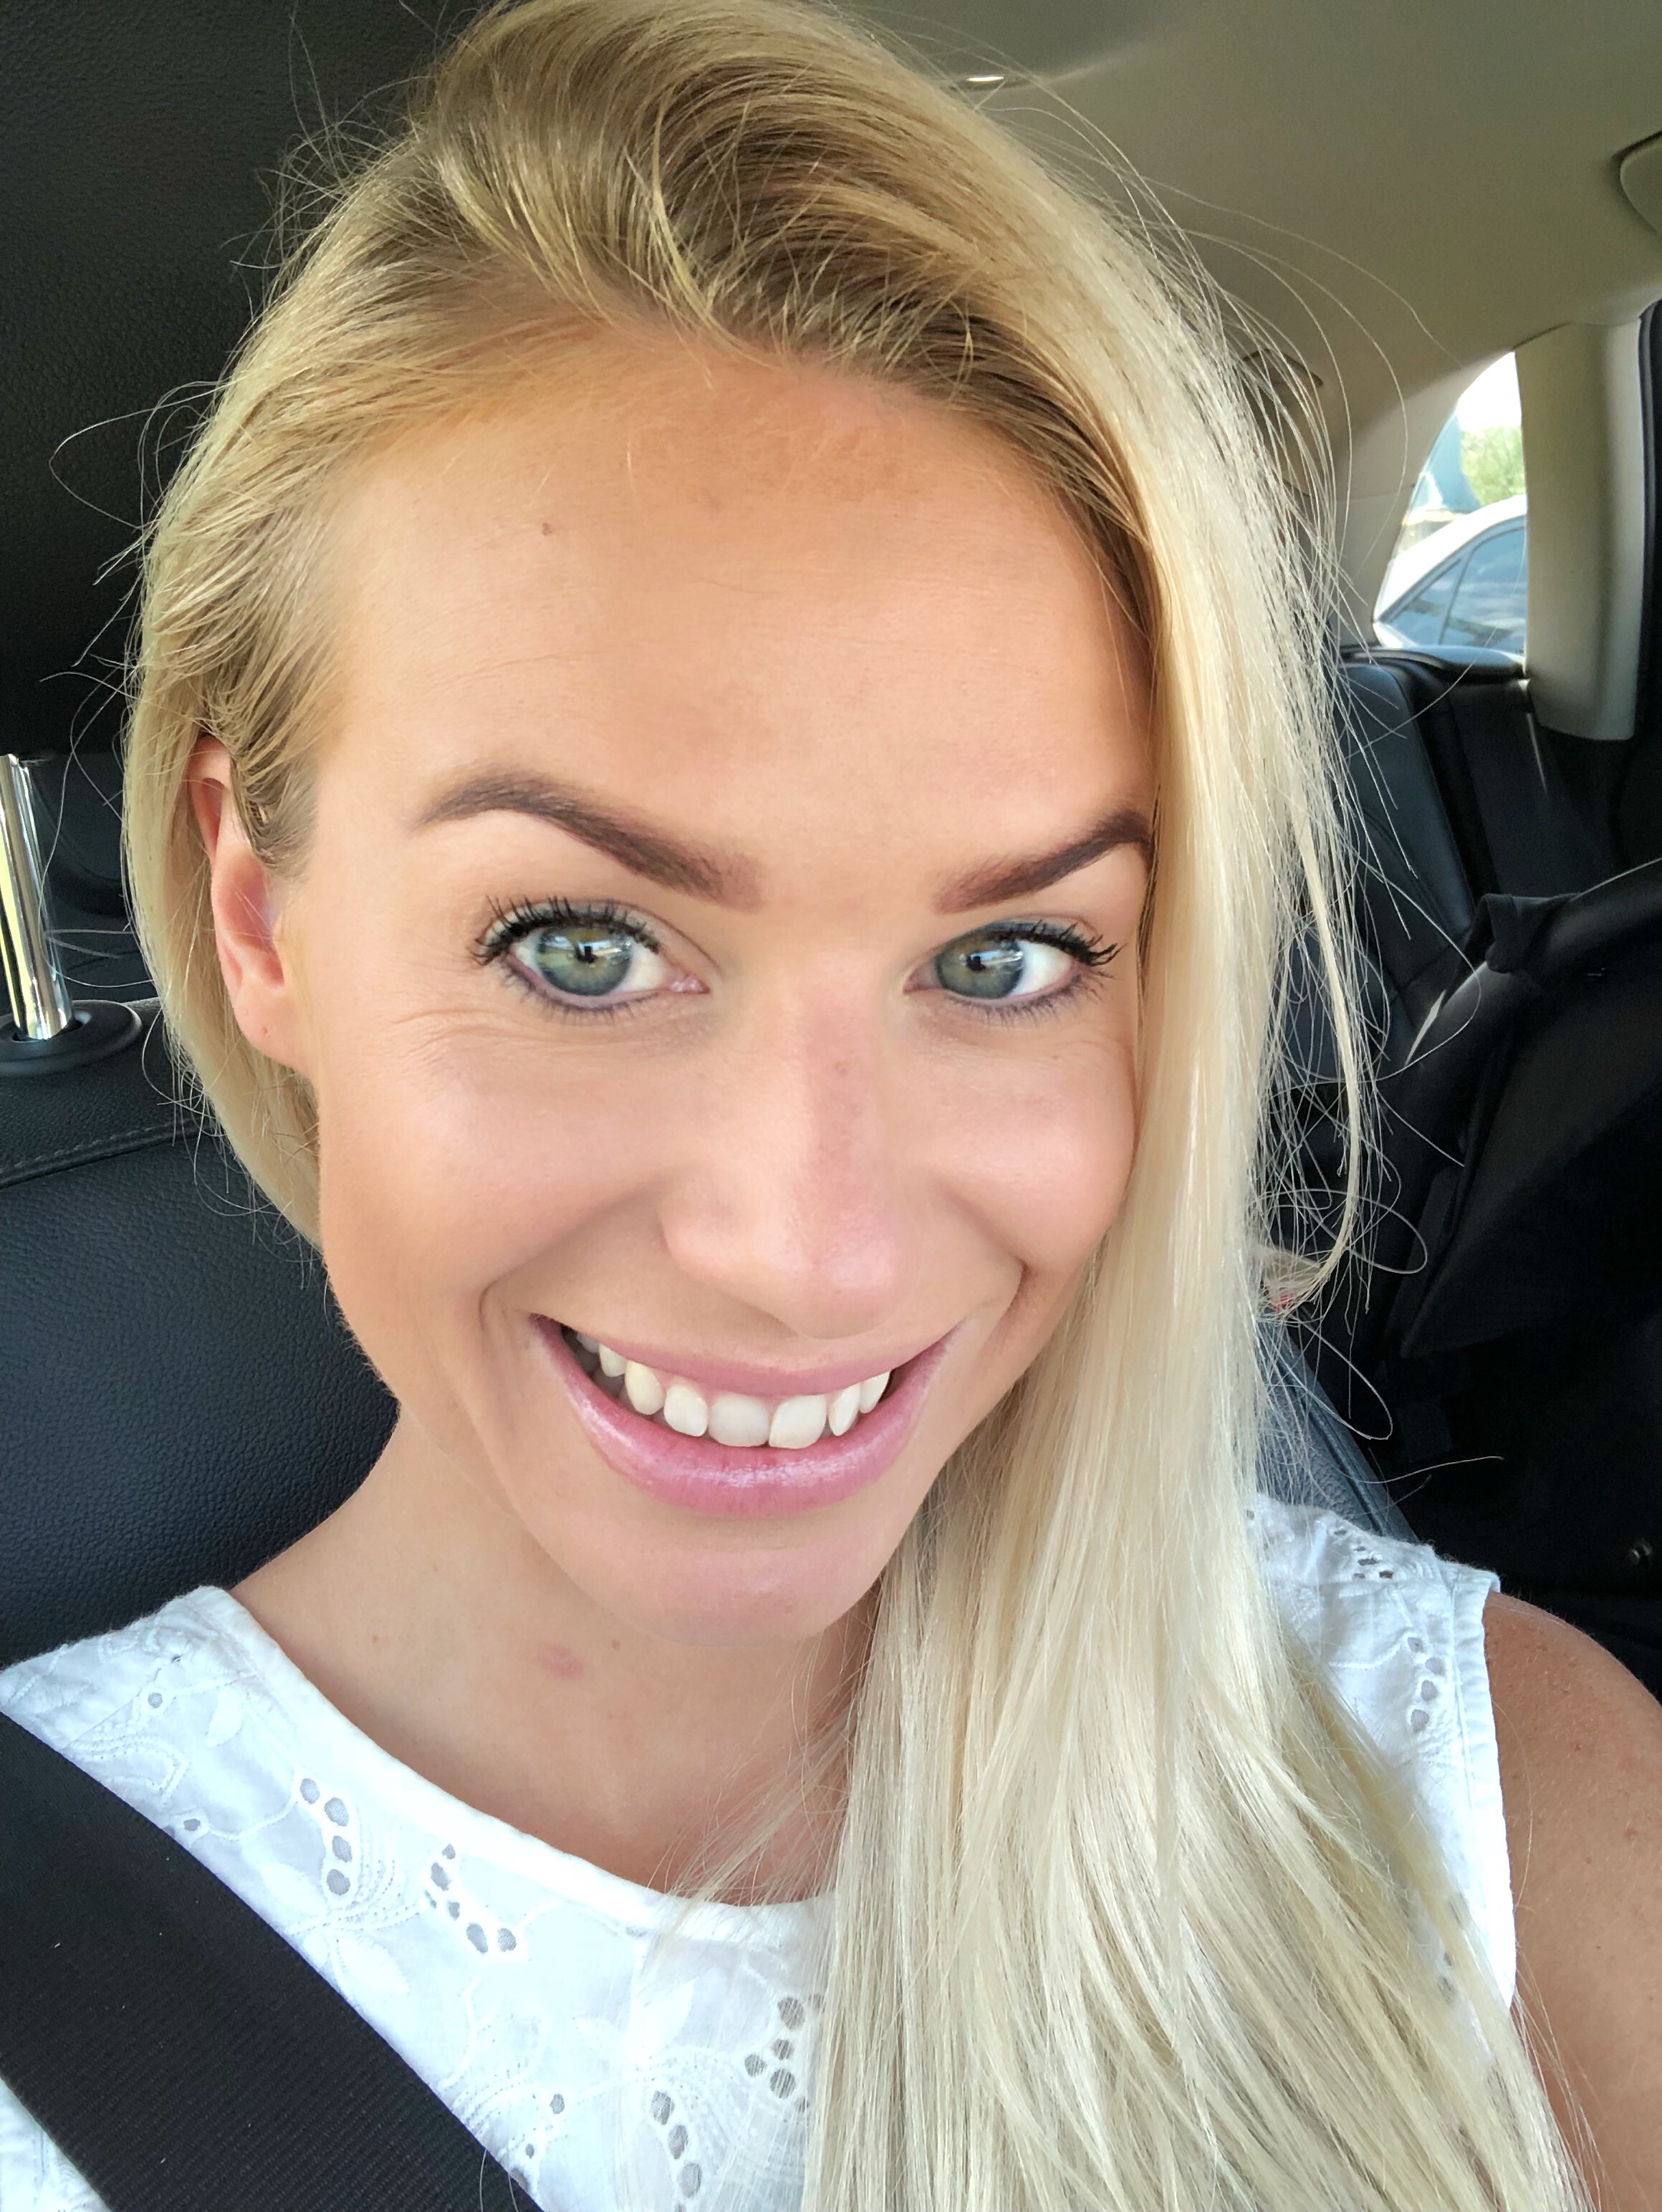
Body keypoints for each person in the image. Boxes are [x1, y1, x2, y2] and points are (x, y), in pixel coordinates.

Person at [3, 1, 1658, 2206]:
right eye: (582, 946)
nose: (812, 1255)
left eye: (1006, 959)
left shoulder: (1510, 1804)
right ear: (259, 915)